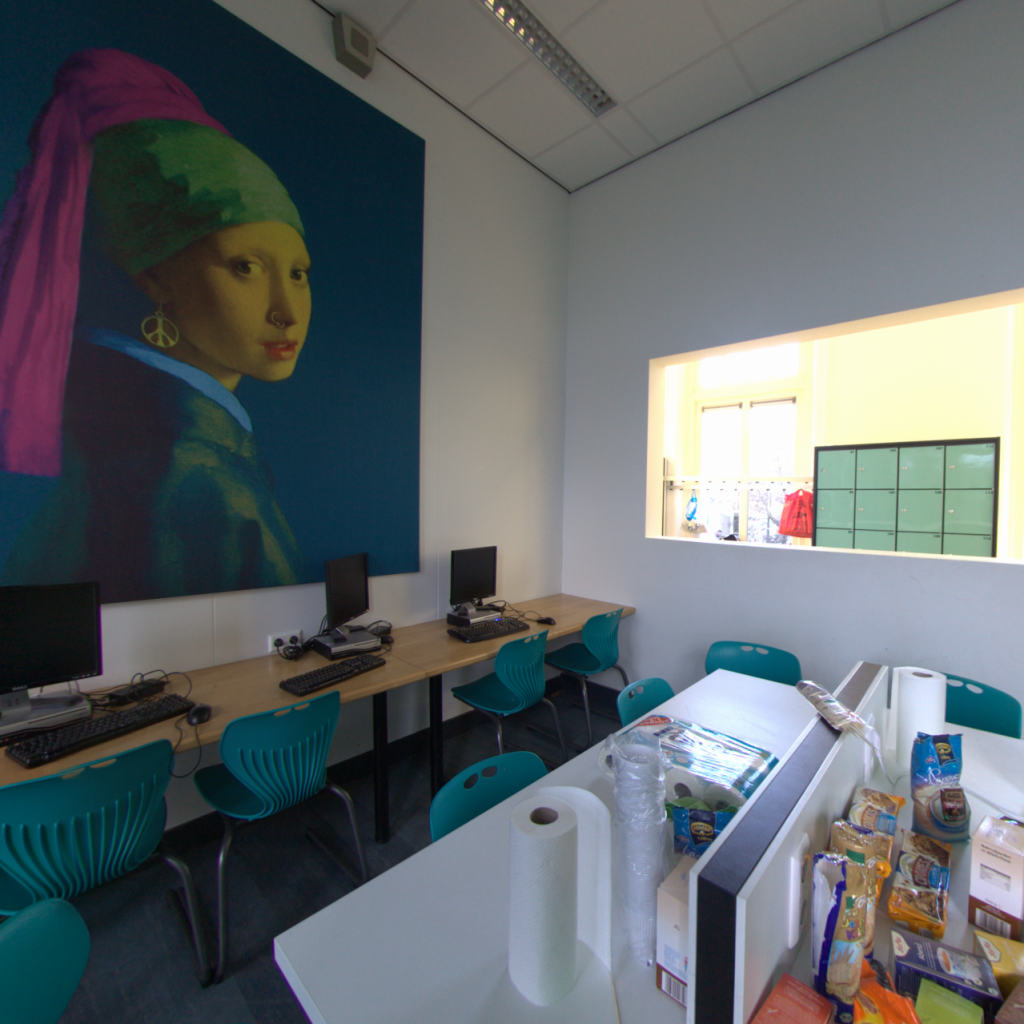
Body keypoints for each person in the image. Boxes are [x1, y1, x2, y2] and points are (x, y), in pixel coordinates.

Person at [0, 49, 311, 601]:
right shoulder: (195, 478)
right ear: (155, 277)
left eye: (298, 273)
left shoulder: (126, 436)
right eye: (245, 267)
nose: (285, 311)